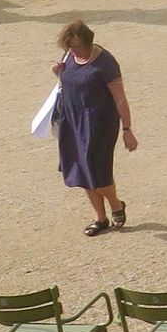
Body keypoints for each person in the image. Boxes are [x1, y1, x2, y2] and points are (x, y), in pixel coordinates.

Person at [49, 19, 137, 237]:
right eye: (69, 46)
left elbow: (120, 99)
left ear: (88, 42)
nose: (72, 50)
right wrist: (59, 74)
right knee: (80, 170)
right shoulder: (69, 56)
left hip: (99, 123)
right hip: (72, 121)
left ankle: (116, 204)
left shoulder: (105, 63)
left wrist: (127, 130)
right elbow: (71, 84)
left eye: (76, 46)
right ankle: (100, 218)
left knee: (96, 171)